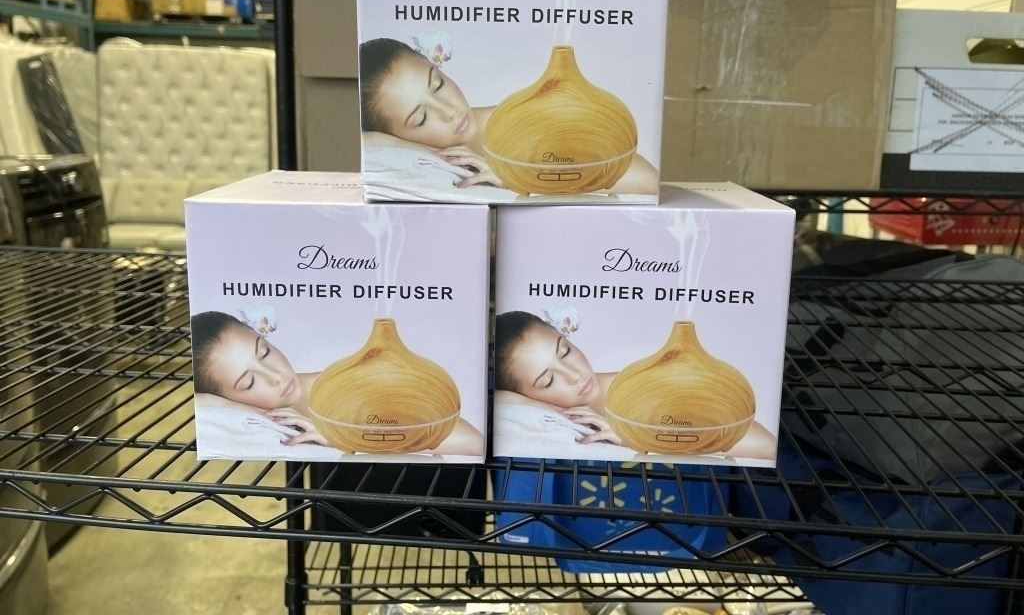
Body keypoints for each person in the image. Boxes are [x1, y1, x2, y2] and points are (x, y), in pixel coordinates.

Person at [359, 38, 659, 194]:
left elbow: (646, 179)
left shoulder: (522, 120)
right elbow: (367, 141)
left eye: (438, 84)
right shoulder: (416, 155)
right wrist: (412, 147)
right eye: (422, 119)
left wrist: (519, 177)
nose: (449, 111)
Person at [190, 311, 484, 456]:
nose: (275, 376)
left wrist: (347, 436)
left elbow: (473, 441)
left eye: (264, 351)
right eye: (250, 382)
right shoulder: (264, 422)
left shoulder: (351, 384)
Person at [494, 310, 777, 459]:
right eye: (548, 381)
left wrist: (637, 436)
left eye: (565, 351)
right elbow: (501, 400)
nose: (574, 375)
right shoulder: (541, 417)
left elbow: (764, 444)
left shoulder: (646, 384)